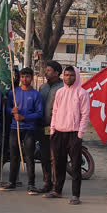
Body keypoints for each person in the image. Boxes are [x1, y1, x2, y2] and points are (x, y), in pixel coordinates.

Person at [45, 66, 90, 205]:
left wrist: (80, 133)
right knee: (59, 163)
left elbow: (85, 114)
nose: (68, 78)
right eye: (66, 75)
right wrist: (52, 130)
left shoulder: (82, 93)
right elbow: (55, 111)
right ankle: (57, 190)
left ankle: (76, 194)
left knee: (75, 165)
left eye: (71, 75)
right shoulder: (59, 92)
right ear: (63, 76)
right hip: (58, 132)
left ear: (76, 76)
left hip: (74, 134)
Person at [0, 67, 43, 191]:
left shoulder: (36, 94)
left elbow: (39, 113)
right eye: (23, 77)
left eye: (27, 77)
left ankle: (31, 184)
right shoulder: (13, 92)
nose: (25, 79)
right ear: (20, 77)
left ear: (31, 78)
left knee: (29, 156)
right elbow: (7, 108)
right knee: (14, 156)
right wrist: (11, 111)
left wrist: (24, 117)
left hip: (29, 129)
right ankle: (11, 182)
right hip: (15, 128)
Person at [32, 60, 63, 194]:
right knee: (44, 156)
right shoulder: (43, 87)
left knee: (55, 157)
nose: (46, 72)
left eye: (49, 70)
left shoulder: (62, 88)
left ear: (56, 73)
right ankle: (47, 183)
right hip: (43, 126)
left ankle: (57, 186)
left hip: (57, 127)